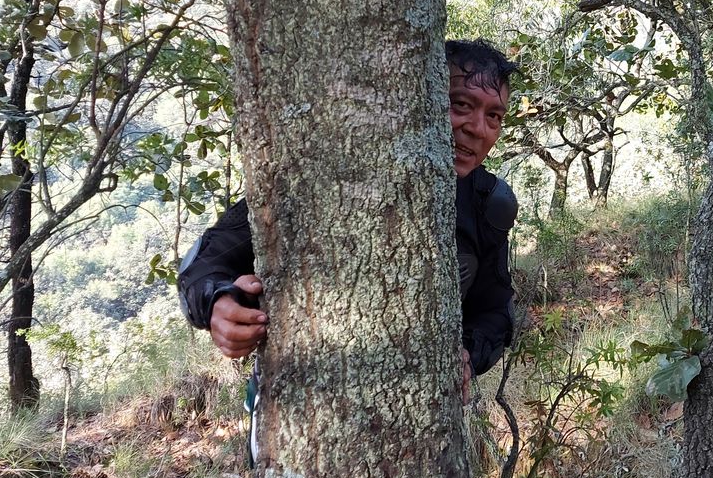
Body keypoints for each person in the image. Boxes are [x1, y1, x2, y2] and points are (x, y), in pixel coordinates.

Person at [176, 40, 519, 397]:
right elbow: (204, 263)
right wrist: (220, 303)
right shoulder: (326, 176)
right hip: (297, 409)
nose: (478, 128)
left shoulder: (488, 203)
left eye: (494, 116)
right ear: (421, 96)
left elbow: (495, 312)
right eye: (461, 104)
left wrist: (465, 353)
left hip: (426, 412)